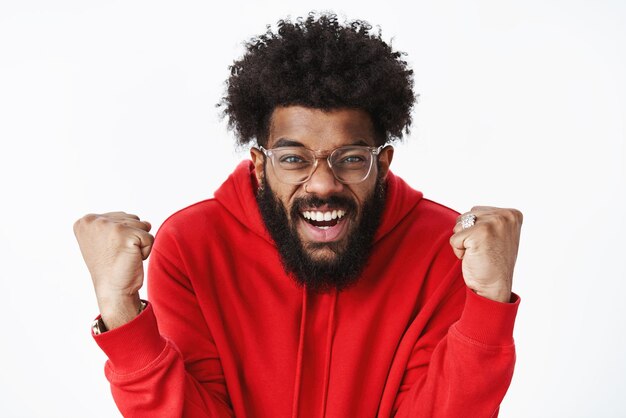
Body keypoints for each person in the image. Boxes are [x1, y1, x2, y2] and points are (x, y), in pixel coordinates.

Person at [74, 13, 522, 418]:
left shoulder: (444, 247)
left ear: (382, 164)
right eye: (293, 159)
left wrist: (488, 300)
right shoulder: (192, 245)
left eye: (349, 158)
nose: (323, 184)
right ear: (259, 165)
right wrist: (120, 310)